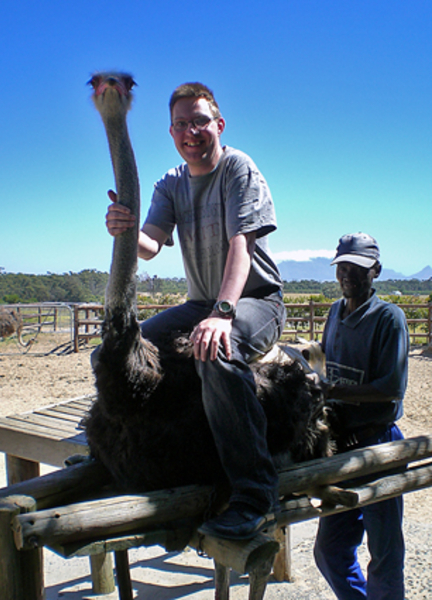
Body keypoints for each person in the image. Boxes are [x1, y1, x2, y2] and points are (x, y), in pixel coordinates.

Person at [105, 82, 286, 540]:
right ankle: (114, 454)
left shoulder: (238, 169)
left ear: (218, 125)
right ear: (171, 132)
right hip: (197, 304)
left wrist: (224, 313)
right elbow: (149, 246)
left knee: (216, 353)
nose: (192, 131)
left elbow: (240, 246)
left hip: (255, 299)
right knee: (117, 352)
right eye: (182, 124)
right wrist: (124, 229)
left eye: (200, 121)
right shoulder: (171, 182)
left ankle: (254, 492)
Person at [314, 232, 409, 599]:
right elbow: (325, 354)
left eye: (358, 268)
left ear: (376, 272)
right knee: (330, 550)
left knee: (384, 552)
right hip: (340, 444)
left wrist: (333, 391)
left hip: (377, 443)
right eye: (342, 267)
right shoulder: (336, 312)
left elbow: (391, 387)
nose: (348, 275)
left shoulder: (389, 318)